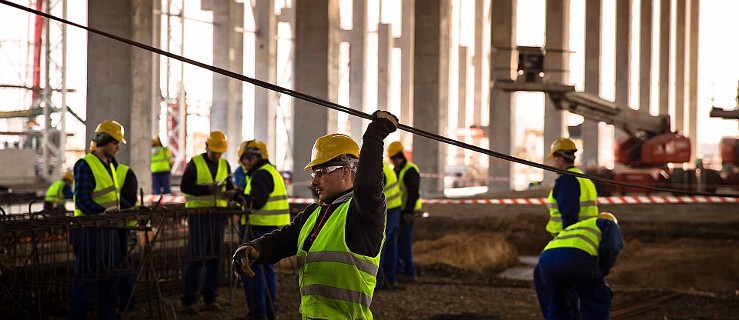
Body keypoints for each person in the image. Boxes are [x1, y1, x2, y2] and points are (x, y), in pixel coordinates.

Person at [232, 110, 399, 319]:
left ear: (345, 172)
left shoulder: (362, 214)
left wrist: (374, 135)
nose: (313, 181)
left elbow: (367, 186)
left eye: (320, 172)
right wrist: (254, 248)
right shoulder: (314, 213)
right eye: (314, 173)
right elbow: (283, 239)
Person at [70, 120, 138, 320]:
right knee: (86, 281)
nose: (118, 147)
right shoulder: (85, 165)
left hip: (109, 231)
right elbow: (82, 200)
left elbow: (113, 199)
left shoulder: (110, 166)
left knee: (110, 280)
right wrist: (103, 213)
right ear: (105, 140)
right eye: (115, 142)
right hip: (89, 231)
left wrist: (127, 208)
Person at [180, 130, 236, 314]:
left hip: (218, 216)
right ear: (207, 147)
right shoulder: (195, 163)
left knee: (214, 258)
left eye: (220, 152)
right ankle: (189, 300)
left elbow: (229, 186)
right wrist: (207, 189)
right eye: (214, 152)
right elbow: (185, 187)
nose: (217, 155)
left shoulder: (225, 164)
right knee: (196, 257)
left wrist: (230, 193)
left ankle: (210, 298)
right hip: (199, 216)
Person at [534, 212, 624, 320]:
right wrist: (602, 271)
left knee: (559, 303)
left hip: (545, 260)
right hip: (575, 257)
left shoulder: (577, 227)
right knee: (596, 298)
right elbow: (612, 248)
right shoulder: (609, 224)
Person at [237, 140, 290, 320]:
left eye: (248, 159)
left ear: (256, 158)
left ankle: (258, 314)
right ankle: (268, 312)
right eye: (244, 159)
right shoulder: (270, 172)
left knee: (252, 272)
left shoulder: (260, 174)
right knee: (266, 272)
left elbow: (256, 201)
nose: (245, 163)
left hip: (258, 228)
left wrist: (237, 196)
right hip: (268, 228)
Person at [545, 138, 598, 236]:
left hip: (570, 237)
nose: (553, 164)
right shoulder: (584, 178)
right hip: (587, 235)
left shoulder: (567, 180)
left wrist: (567, 239)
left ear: (560, 159)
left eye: (554, 160)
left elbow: (569, 214)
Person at [387, 141, 421, 281]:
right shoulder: (396, 170)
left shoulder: (409, 170)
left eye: (394, 159)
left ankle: (408, 272)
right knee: (398, 242)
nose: (393, 161)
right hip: (399, 211)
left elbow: (413, 193)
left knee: (404, 243)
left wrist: (408, 212)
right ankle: (401, 270)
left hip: (408, 212)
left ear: (400, 156)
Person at [376, 161, 403, 289]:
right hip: (395, 208)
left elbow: (373, 194)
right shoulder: (382, 165)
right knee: (391, 245)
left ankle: (380, 279)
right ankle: (390, 278)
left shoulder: (375, 170)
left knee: (380, 245)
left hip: (388, 211)